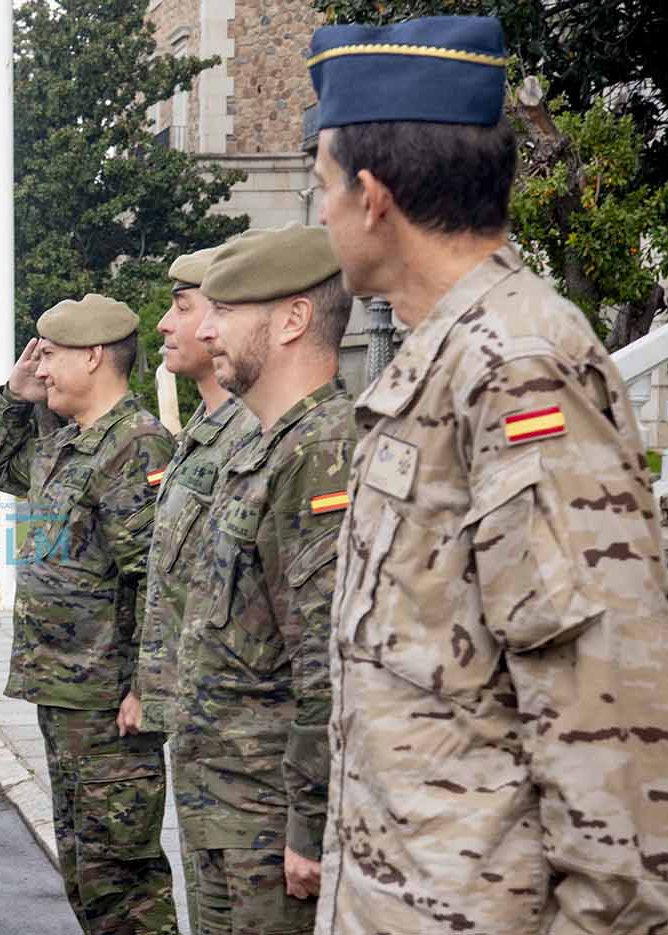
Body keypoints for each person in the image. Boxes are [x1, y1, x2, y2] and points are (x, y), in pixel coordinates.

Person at [307, 16, 668, 933]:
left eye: (321, 187)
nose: (320, 213)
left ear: (372, 195)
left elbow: (600, 688)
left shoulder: (515, 365)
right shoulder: (445, 353)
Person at [166, 225, 353, 935]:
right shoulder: (265, 448)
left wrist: (308, 821)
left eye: (225, 311)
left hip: (270, 818)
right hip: (224, 800)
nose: (205, 329)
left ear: (292, 319)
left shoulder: (322, 450)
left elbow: (329, 657)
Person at [0, 294, 178, 935]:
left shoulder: (137, 445)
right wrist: (15, 395)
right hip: (66, 690)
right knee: (87, 868)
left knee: (124, 876)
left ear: (93, 357)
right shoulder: (70, 443)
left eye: (52, 355)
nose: (43, 367)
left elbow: (155, 578)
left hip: (109, 700)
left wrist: (147, 686)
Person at [134, 247, 262, 924]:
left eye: (181, 307)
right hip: (198, 732)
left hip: (249, 752)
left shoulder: (256, 434)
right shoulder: (200, 435)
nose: (165, 324)